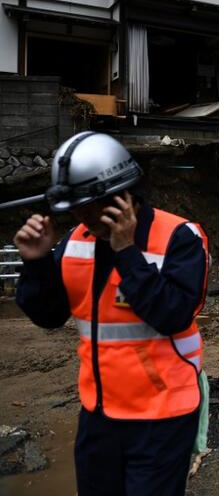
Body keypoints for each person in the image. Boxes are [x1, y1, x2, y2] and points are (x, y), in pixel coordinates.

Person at [15, 132, 208, 495]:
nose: (83, 218)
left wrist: (127, 253)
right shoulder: (75, 241)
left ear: (121, 195)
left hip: (162, 415)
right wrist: (38, 262)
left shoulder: (179, 237)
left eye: (90, 208)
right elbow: (50, 315)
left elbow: (173, 314)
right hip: (99, 415)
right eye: (76, 210)